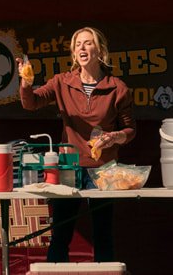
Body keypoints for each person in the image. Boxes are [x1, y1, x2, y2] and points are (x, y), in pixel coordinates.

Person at [16, 26, 136, 262]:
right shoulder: (61, 82)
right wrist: (26, 82)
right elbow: (32, 103)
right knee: (61, 231)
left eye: (87, 43)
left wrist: (114, 136)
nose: (82, 47)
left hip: (104, 169)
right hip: (69, 165)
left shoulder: (117, 88)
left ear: (99, 49)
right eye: (77, 44)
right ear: (73, 53)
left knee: (103, 233)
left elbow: (130, 130)